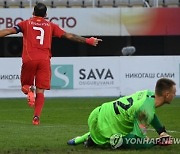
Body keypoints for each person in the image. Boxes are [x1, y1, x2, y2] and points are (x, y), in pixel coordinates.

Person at [0, 3, 102, 125]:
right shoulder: (50, 25)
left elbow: (8, 31)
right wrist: (88, 40)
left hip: (29, 59)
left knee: (25, 85)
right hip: (44, 61)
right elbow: (69, 35)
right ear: (46, 15)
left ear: (33, 13)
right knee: (41, 90)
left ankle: (29, 91)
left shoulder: (25, 24)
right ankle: (36, 117)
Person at [67, 78, 176, 149]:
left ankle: (78, 140)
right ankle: (94, 141)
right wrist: (157, 141)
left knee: (124, 124)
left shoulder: (148, 94)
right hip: (103, 128)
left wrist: (161, 131)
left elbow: (151, 115)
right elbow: (137, 142)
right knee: (120, 141)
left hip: (97, 113)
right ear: (166, 94)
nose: (174, 95)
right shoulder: (146, 110)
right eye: (173, 93)